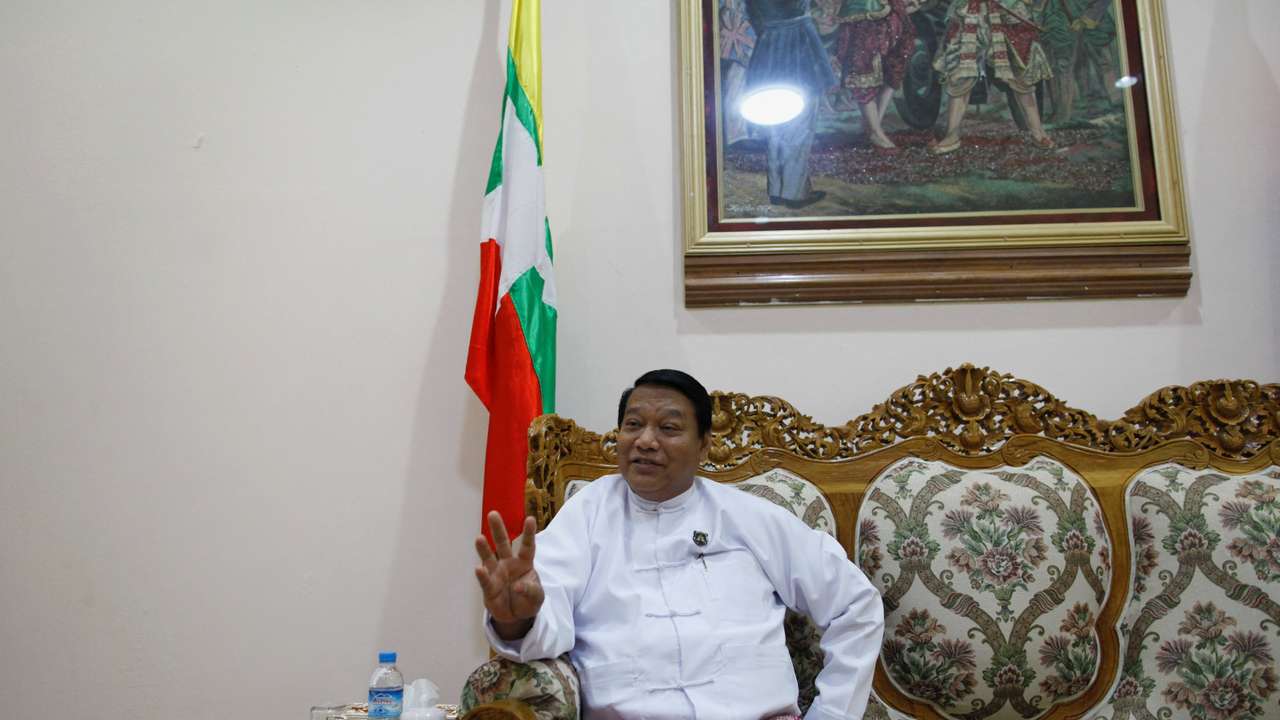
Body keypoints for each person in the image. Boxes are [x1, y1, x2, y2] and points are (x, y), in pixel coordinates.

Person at [473, 369, 885, 720]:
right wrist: (518, 619)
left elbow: (855, 603)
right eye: (633, 425)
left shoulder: (747, 516)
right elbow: (546, 612)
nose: (646, 441)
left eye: (668, 428)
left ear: (704, 444)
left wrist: (832, 714)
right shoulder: (588, 513)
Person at [742, 0, 837, 209]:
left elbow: (753, 14)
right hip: (798, 44)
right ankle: (794, 193)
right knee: (801, 126)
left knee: (774, 125)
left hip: (769, 45)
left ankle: (777, 190)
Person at [929, 0, 1055, 153]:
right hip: (969, 12)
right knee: (960, 73)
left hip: (1007, 10)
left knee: (1020, 72)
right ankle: (952, 135)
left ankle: (1037, 132)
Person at [832, 0, 922, 149]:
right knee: (863, 70)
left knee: (893, 70)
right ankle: (875, 130)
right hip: (864, 13)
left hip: (893, 15)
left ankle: (875, 127)